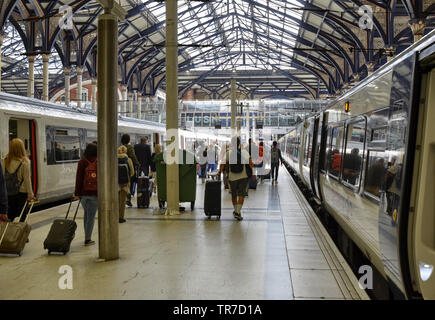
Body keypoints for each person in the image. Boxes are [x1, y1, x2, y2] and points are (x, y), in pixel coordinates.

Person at [219, 137, 253, 221]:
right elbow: (251, 164)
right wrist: (253, 172)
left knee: (234, 195)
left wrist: (219, 172)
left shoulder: (228, 153)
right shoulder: (244, 152)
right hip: (243, 177)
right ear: (239, 143)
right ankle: (237, 212)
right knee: (241, 195)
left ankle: (236, 211)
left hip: (232, 177)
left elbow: (222, 164)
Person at [3, 138, 34, 222]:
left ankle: (8, 233)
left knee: (10, 216)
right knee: (22, 217)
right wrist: (30, 194)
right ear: (22, 148)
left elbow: (2, 178)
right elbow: (27, 180)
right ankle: (19, 234)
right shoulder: (25, 162)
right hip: (21, 193)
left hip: (8, 193)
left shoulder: (5, 161)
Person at [73, 143, 98, 246]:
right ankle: (88, 239)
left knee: (87, 215)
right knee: (90, 216)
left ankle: (87, 236)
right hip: (95, 194)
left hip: (83, 194)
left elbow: (79, 179)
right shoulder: (98, 161)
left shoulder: (82, 162)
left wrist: (77, 194)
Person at [118, 145, 135, 223]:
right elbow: (132, 172)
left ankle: (114, 216)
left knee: (115, 201)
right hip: (125, 184)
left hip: (115, 184)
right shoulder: (128, 159)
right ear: (126, 151)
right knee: (122, 201)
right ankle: (121, 218)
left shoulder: (113, 159)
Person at [121, 134, 139, 207]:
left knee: (122, 183)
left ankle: (122, 198)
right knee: (130, 183)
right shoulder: (129, 147)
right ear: (128, 140)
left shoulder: (120, 147)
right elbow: (133, 156)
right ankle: (128, 198)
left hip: (121, 168)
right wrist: (137, 163)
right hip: (128, 167)